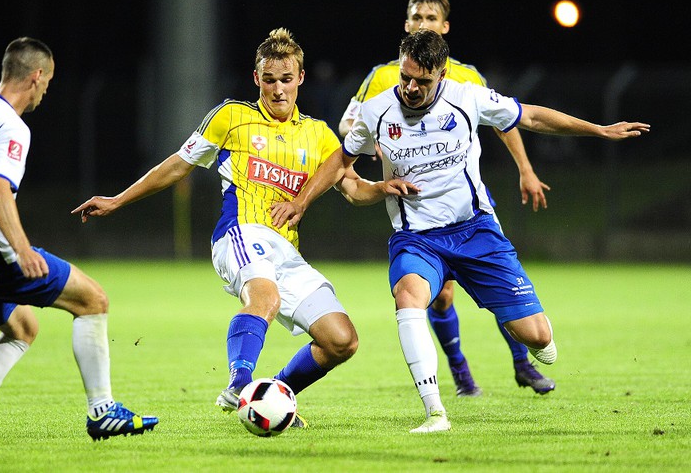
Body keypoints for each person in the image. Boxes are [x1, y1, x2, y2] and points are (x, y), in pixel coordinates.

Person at [271, 29, 649, 433]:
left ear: (443, 73)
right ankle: (435, 412)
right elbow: (339, 160)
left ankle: (533, 340)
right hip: (416, 238)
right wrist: (301, 202)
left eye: (422, 81)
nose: (411, 88)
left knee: (537, 338)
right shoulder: (376, 111)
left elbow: (533, 116)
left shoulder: (468, 97)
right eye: (405, 77)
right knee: (408, 297)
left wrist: (599, 130)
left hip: (475, 232)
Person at [73, 28, 374, 428]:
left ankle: (271, 395)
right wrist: (118, 199)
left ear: (300, 77)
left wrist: (385, 189)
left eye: (286, 79)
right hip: (241, 233)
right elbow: (178, 164)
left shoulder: (318, 134)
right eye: (270, 80)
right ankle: (240, 384)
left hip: (287, 251)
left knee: (341, 340)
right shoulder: (231, 116)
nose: (278, 89)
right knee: (263, 300)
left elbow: (352, 188)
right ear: (257, 79)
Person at [0, 37, 158, 450]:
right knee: (93, 300)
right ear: (37, 76)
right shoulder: (12, 126)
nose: (46, 90)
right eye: (48, 81)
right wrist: (21, 251)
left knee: (23, 327)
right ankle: (103, 412)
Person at [339, 0, 555, 396]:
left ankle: (522, 363)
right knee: (438, 298)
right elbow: (348, 127)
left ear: (445, 27)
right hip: (418, 203)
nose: (423, 24)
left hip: (468, 198)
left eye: (430, 18)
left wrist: (526, 169)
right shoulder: (384, 77)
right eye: (416, 17)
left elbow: (505, 120)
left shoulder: (467, 77)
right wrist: (373, 140)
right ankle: (461, 374)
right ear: (406, 25)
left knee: (495, 276)